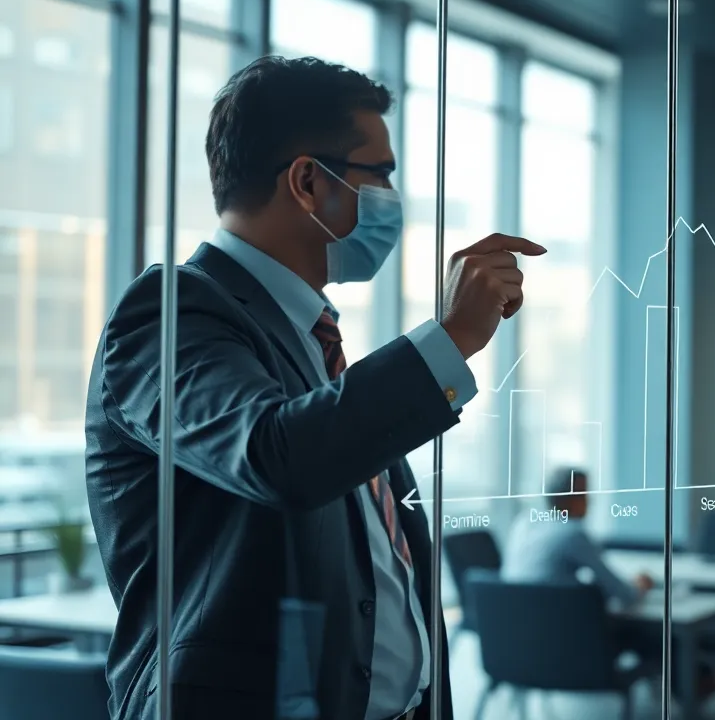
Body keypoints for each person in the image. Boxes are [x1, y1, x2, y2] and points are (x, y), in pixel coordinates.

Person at [85, 56, 545, 720]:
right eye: (379, 174)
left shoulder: (309, 337)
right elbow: (278, 456)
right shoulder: (168, 315)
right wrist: (449, 341)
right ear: (307, 180)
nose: (394, 196)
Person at [500, 468, 653, 607]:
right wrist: (640, 586)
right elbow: (624, 595)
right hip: (555, 627)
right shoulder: (572, 534)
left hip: (514, 623)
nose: (589, 501)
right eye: (584, 494)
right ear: (569, 498)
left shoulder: (523, 523)